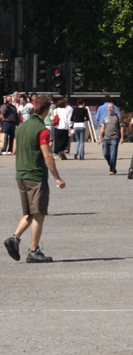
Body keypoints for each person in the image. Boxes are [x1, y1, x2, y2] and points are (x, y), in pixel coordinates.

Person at [3, 94, 65, 263]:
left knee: (29, 213)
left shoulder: (21, 127)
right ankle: (33, 251)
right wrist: (57, 178)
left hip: (21, 174)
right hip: (35, 175)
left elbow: (14, 149)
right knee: (39, 214)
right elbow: (48, 156)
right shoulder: (41, 129)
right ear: (46, 110)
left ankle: (14, 238)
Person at [98, 101, 123, 174]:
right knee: (105, 154)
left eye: (111, 107)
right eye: (108, 108)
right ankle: (112, 166)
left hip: (114, 138)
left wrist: (122, 137)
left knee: (113, 154)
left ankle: (112, 170)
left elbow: (121, 127)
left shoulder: (118, 116)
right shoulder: (105, 117)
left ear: (114, 108)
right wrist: (99, 137)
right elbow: (102, 128)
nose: (109, 109)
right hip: (106, 138)